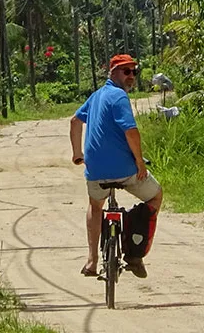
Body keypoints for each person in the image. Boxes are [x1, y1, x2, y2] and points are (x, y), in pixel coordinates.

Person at [70, 54, 163, 279]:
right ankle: (133, 251)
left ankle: (92, 261)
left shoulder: (95, 97)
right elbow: (131, 131)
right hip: (125, 170)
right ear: (112, 73)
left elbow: (75, 121)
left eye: (134, 72)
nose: (131, 76)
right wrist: (140, 163)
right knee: (156, 196)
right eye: (126, 71)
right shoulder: (119, 97)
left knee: (95, 206)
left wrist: (77, 154)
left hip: (95, 171)